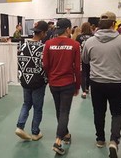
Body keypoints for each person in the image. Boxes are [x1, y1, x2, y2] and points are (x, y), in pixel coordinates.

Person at [82, 12, 121, 158]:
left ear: (99, 24)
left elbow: (85, 60)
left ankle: (100, 139)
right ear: (113, 24)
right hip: (116, 83)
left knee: (98, 112)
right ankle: (114, 141)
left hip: (97, 83)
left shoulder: (90, 42)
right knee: (117, 113)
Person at [43, 18, 81, 155]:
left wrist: (50, 77)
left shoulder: (48, 44)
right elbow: (77, 68)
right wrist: (77, 86)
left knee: (59, 110)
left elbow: (45, 65)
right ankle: (58, 141)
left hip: (54, 83)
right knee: (64, 111)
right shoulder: (75, 45)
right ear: (67, 29)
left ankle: (65, 134)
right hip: (67, 83)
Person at [15, 21, 49, 141]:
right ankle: (35, 132)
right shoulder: (43, 48)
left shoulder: (23, 46)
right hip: (38, 82)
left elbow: (19, 63)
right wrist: (46, 79)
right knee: (37, 107)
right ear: (43, 33)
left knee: (26, 104)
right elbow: (44, 66)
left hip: (25, 81)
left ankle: (20, 126)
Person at [76, 22, 93, 99]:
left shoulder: (79, 37)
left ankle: (83, 91)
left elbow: (77, 47)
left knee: (83, 73)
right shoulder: (93, 36)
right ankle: (87, 87)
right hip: (91, 57)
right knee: (89, 72)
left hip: (81, 57)